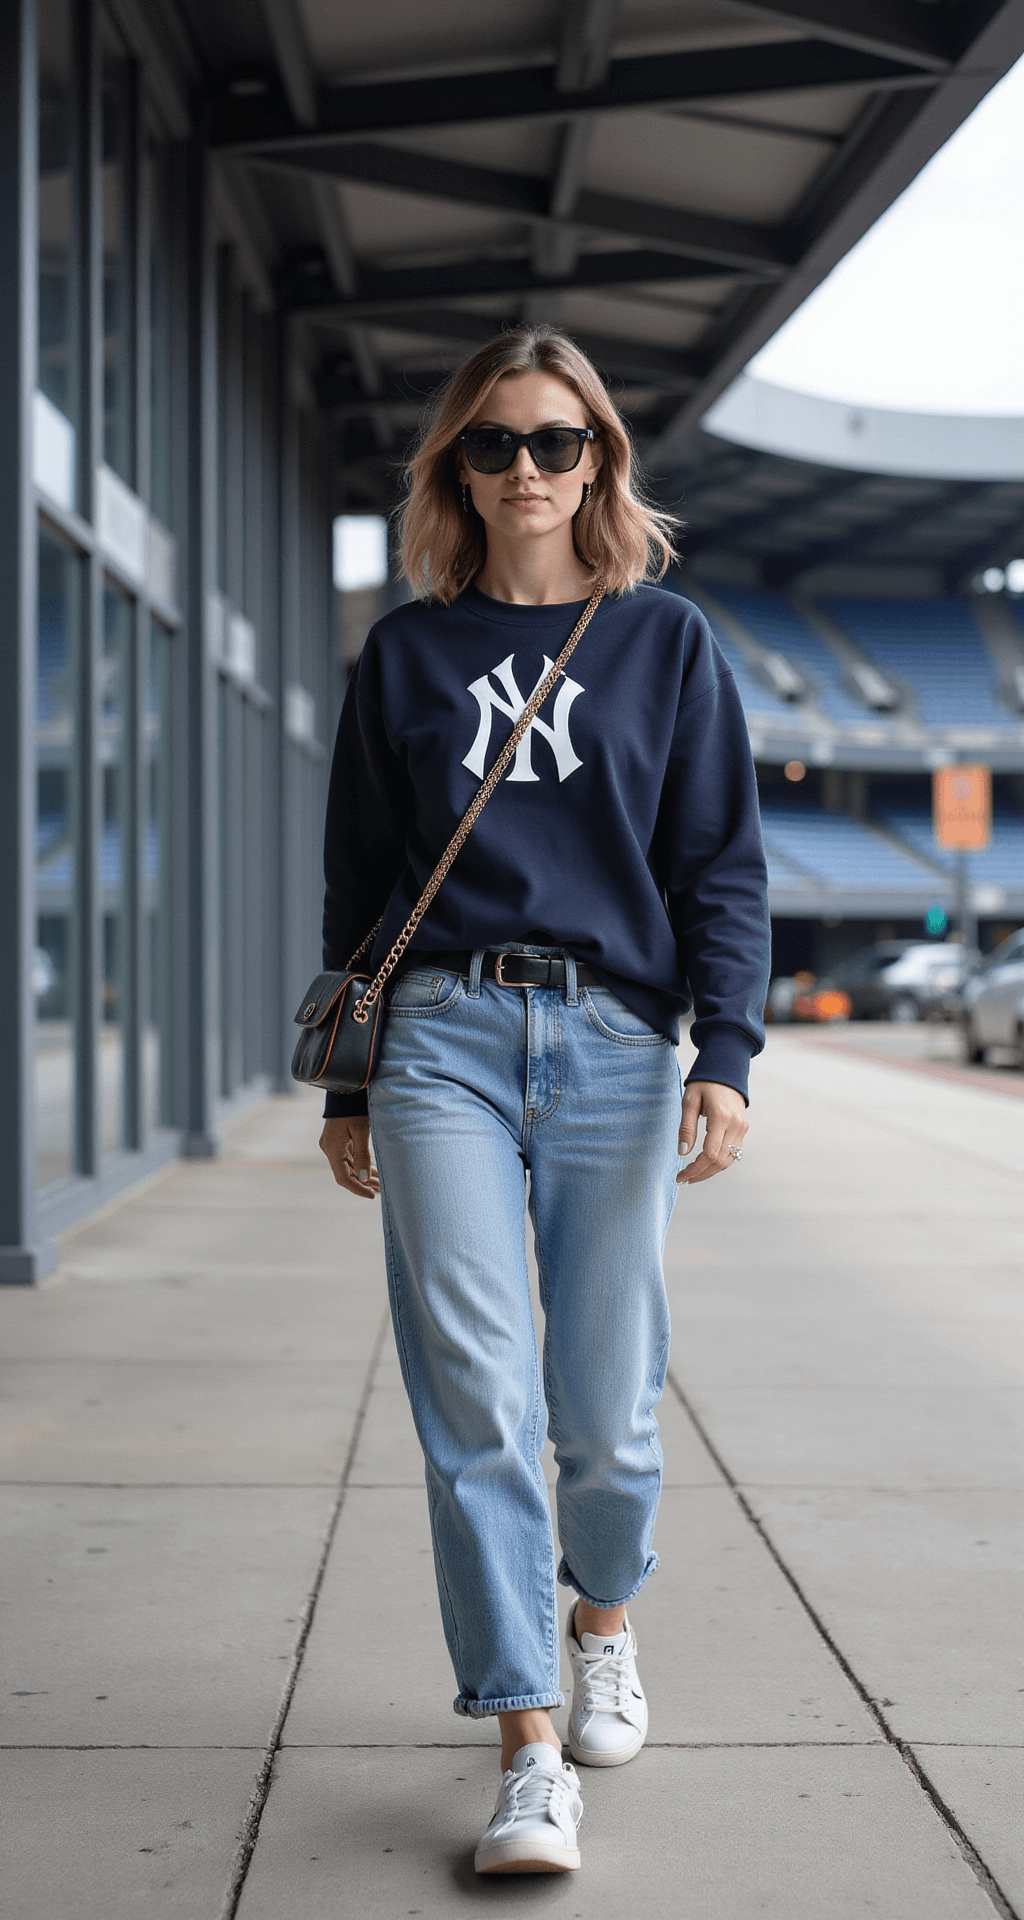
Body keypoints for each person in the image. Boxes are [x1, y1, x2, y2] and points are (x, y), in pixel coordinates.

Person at [318, 326, 770, 1875]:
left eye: (555, 443)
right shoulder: (404, 654)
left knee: (610, 1410)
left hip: (619, 1047)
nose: (525, 470)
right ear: (457, 465)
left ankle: (605, 1627)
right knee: (475, 1399)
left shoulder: (668, 643)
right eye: (494, 445)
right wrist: (348, 1087)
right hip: (442, 1032)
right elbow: (362, 887)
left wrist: (730, 1055)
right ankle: (523, 1745)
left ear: (601, 461)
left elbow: (721, 865)